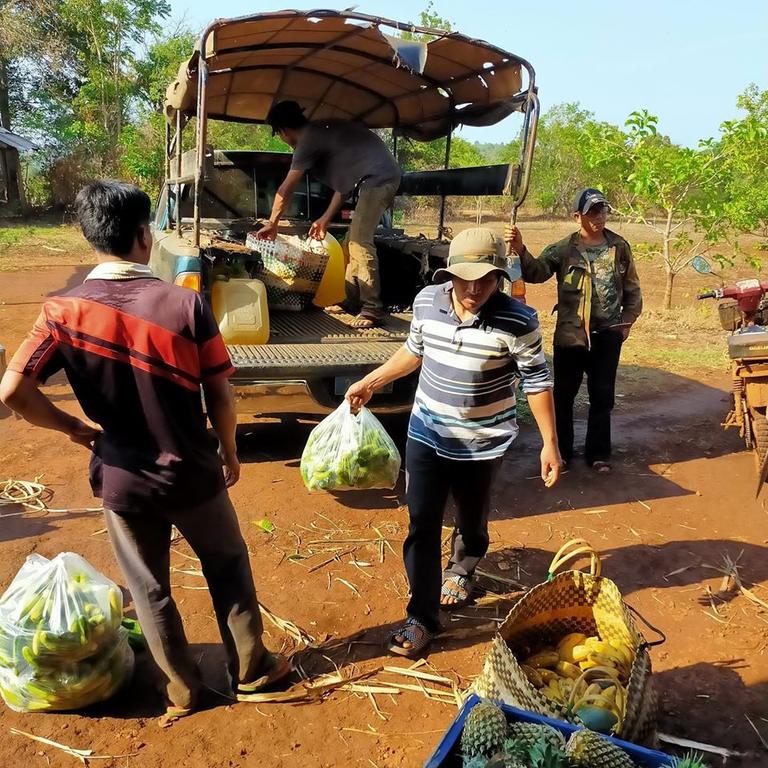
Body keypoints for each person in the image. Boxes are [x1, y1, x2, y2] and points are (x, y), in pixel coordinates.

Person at [0, 181, 290, 724]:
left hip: (122, 477)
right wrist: (228, 449)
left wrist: (74, 428)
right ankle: (252, 672)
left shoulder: (62, 312)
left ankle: (182, 689)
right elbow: (220, 393)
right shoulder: (184, 305)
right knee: (226, 565)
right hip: (193, 471)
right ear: (143, 234)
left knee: (149, 586)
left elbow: (13, 391)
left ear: (90, 238)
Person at [345, 228, 561, 657]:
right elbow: (414, 349)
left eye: (485, 279)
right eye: (465, 279)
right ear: (450, 275)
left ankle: (462, 567)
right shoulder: (427, 301)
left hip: (484, 440)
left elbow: (537, 380)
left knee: (471, 515)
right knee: (421, 523)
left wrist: (550, 443)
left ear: (499, 276)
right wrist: (372, 380)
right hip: (426, 430)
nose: (474, 289)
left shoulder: (519, 320)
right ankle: (422, 618)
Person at [506, 188, 643, 473]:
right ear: (577, 215)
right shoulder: (563, 248)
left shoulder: (619, 246)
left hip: (608, 333)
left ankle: (598, 454)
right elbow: (536, 273)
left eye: (603, 210)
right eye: (592, 211)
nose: (599, 217)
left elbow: (632, 288)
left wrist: (626, 323)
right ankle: (562, 452)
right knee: (564, 395)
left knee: (602, 395)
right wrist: (520, 248)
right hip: (571, 335)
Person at [259, 100, 401, 328]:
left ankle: (372, 308)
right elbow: (344, 185)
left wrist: (272, 223)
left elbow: (285, 189)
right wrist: (325, 218)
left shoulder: (308, 140)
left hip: (379, 179)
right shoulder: (320, 133)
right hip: (371, 179)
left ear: (283, 131)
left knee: (359, 242)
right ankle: (352, 300)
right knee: (350, 242)